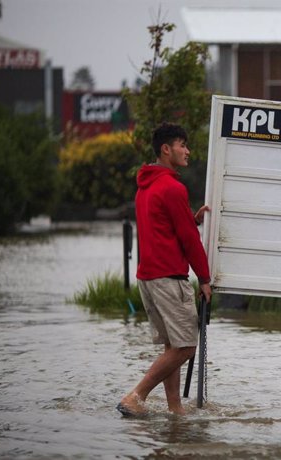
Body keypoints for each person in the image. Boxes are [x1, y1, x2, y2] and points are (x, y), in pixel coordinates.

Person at [117, 122, 212, 416]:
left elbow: (168, 229)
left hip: (148, 279)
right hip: (169, 279)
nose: (188, 150)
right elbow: (188, 240)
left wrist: (190, 219)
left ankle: (175, 411)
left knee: (172, 345)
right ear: (166, 149)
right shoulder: (173, 188)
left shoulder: (145, 187)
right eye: (182, 144)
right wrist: (205, 279)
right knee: (185, 348)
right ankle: (136, 396)